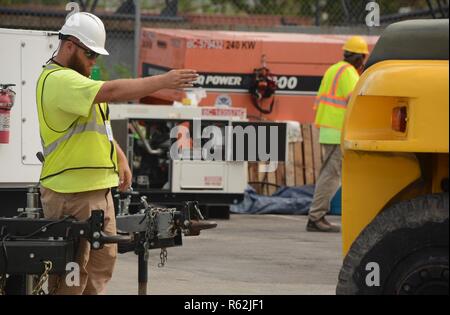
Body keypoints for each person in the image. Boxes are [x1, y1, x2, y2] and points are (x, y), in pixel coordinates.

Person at [36, 12, 198, 294]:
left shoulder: (79, 83)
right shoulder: (57, 80)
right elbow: (111, 91)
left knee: (99, 269)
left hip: (97, 191)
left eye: (96, 55)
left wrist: (119, 157)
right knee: (73, 276)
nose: (93, 61)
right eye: (89, 54)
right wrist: (163, 81)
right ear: (70, 45)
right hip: (70, 193)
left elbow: (99, 127)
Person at [306, 36, 369, 233]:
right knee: (331, 176)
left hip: (328, 129)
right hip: (337, 131)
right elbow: (356, 102)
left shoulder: (333, 69)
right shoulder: (349, 73)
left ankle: (316, 215)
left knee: (329, 174)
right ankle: (316, 217)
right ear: (359, 58)